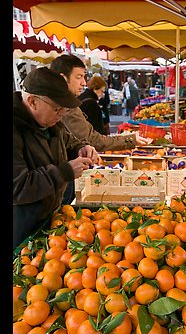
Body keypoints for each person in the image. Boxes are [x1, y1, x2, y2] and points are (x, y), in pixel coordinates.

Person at [13, 67, 100, 249]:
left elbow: (68, 142)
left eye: (65, 109)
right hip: (20, 229)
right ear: (33, 102)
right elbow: (18, 187)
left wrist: (81, 148)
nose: (62, 114)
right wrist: (64, 172)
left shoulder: (51, 122)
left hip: (46, 221)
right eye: (57, 108)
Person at [49, 55, 151, 203]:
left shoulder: (70, 104)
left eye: (84, 77)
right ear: (63, 78)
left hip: (64, 176)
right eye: (79, 77)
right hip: (60, 180)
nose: (84, 83)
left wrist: (80, 147)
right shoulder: (67, 107)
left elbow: (68, 139)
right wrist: (130, 139)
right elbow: (92, 138)